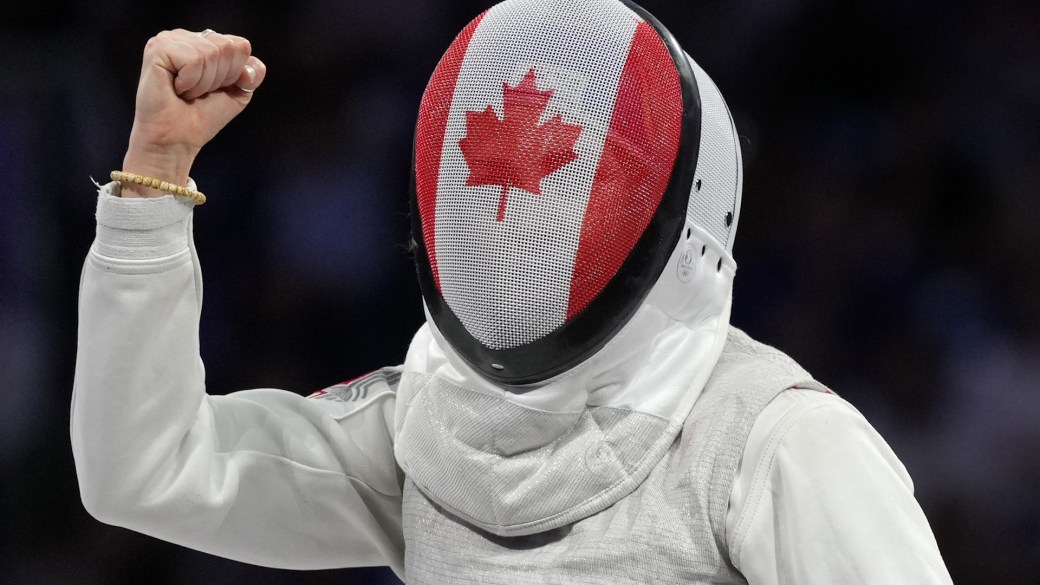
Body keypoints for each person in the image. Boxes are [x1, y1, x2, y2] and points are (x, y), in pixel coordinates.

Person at [72, 1, 954, 583]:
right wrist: (154, 175)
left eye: (577, 180)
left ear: (680, 207)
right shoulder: (431, 428)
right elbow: (144, 468)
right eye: (506, 188)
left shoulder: (776, 444)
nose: (527, 212)